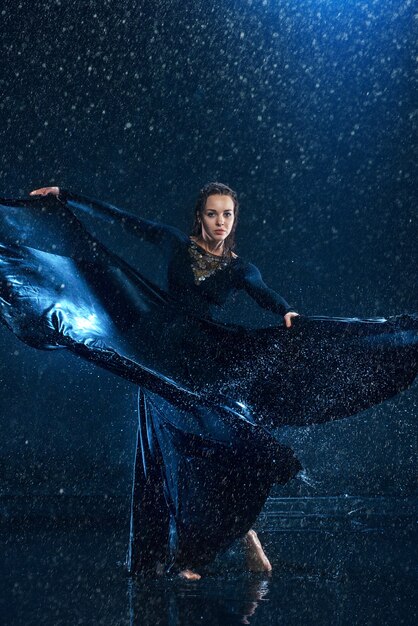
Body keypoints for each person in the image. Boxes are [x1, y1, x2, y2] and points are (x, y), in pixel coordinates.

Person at [0, 182, 417, 580]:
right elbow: (123, 220)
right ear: (199, 217)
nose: (221, 222)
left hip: (205, 360)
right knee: (169, 457)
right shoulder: (174, 244)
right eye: (213, 214)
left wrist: (287, 312)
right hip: (160, 361)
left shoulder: (240, 269)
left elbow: (265, 294)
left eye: (228, 215)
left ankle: (221, 540)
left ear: (234, 220)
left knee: (217, 442)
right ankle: (203, 548)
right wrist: (68, 197)